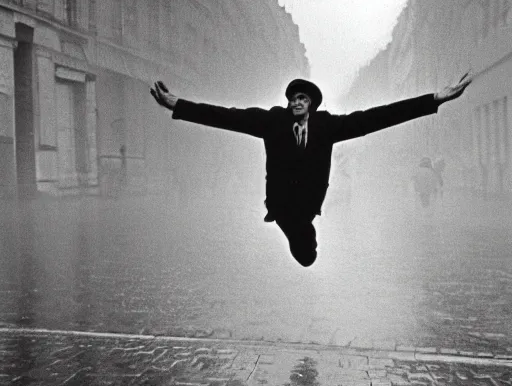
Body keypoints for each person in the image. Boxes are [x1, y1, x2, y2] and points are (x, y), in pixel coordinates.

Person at [149, 73, 472, 267]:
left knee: (306, 252)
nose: (295, 102)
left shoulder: (328, 126)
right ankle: (298, 235)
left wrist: (435, 100)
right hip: (280, 205)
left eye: (302, 98)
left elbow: (377, 117)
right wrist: (177, 104)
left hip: (307, 204)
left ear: (312, 103)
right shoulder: (272, 121)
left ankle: (304, 238)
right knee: (297, 238)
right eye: (292, 98)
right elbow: (226, 116)